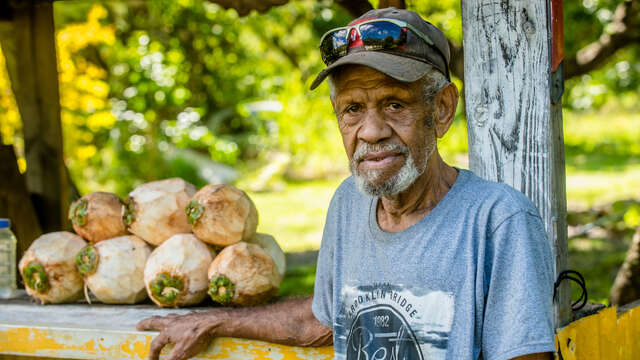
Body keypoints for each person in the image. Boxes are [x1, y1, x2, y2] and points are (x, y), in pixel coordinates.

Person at [137, 7, 555, 360]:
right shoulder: (349, 203)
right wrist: (215, 319)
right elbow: (325, 319)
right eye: (352, 109)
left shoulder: (499, 221)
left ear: (442, 109)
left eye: (395, 104)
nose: (371, 131)